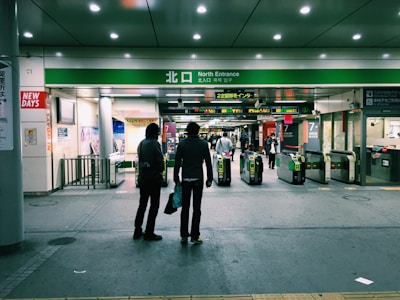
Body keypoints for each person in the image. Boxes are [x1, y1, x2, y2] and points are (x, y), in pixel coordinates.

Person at [174, 122, 213, 244]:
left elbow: (177, 162)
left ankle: (184, 236)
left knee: (185, 208)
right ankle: (195, 236)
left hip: (185, 179)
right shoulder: (203, 144)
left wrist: (176, 178)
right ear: (198, 131)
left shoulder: (182, 144)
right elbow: (208, 162)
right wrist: (209, 178)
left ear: (187, 131)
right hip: (198, 179)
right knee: (197, 208)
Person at [133, 123, 164, 241]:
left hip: (143, 179)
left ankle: (137, 230)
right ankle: (149, 232)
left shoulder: (141, 143)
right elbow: (160, 164)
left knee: (142, 205)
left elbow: (140, 161)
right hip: (154, 179)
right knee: (154, 206)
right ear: (155, 132)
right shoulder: (155, 144)